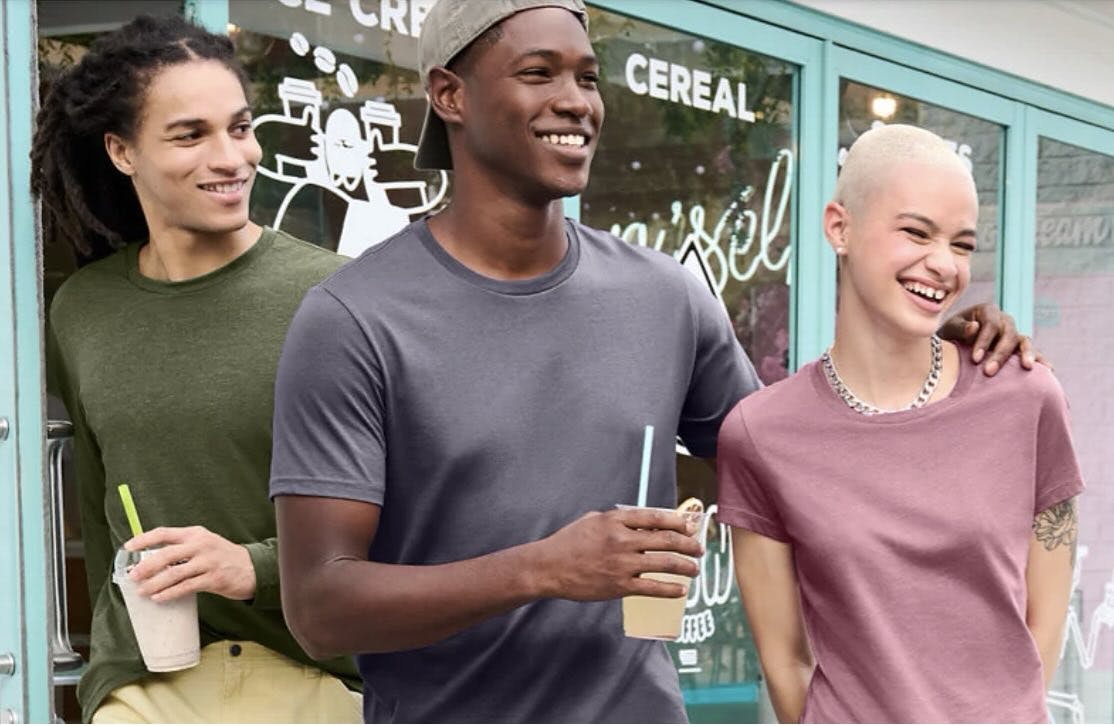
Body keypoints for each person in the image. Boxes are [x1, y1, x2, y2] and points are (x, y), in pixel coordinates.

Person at [269, 2, 1037, 723]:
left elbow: (804, 464)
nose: (577, 101)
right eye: (539, 74)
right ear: (450, 95)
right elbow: (320, 609)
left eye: (587, 77)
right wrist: (543, 569)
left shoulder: (665, 298)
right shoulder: (352, 321)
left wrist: (931, 347)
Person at [33, 15, 361, 723]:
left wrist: (258, 567)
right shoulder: (82, 309)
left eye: (240, 128)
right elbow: (98, 508)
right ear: (122, 151)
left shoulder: (343, 298)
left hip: (321, 680)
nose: (232, 157)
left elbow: (418, 516)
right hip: (145, 687)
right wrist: (102, 683)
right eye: (191, 135)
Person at [717, 124, 1083, 723]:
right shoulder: (760, 435)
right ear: (840, 227)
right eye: (916, 232)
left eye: (962, 244)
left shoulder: (1025, 395)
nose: (942, 264)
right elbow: (785, 659)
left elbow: (1044, 623)